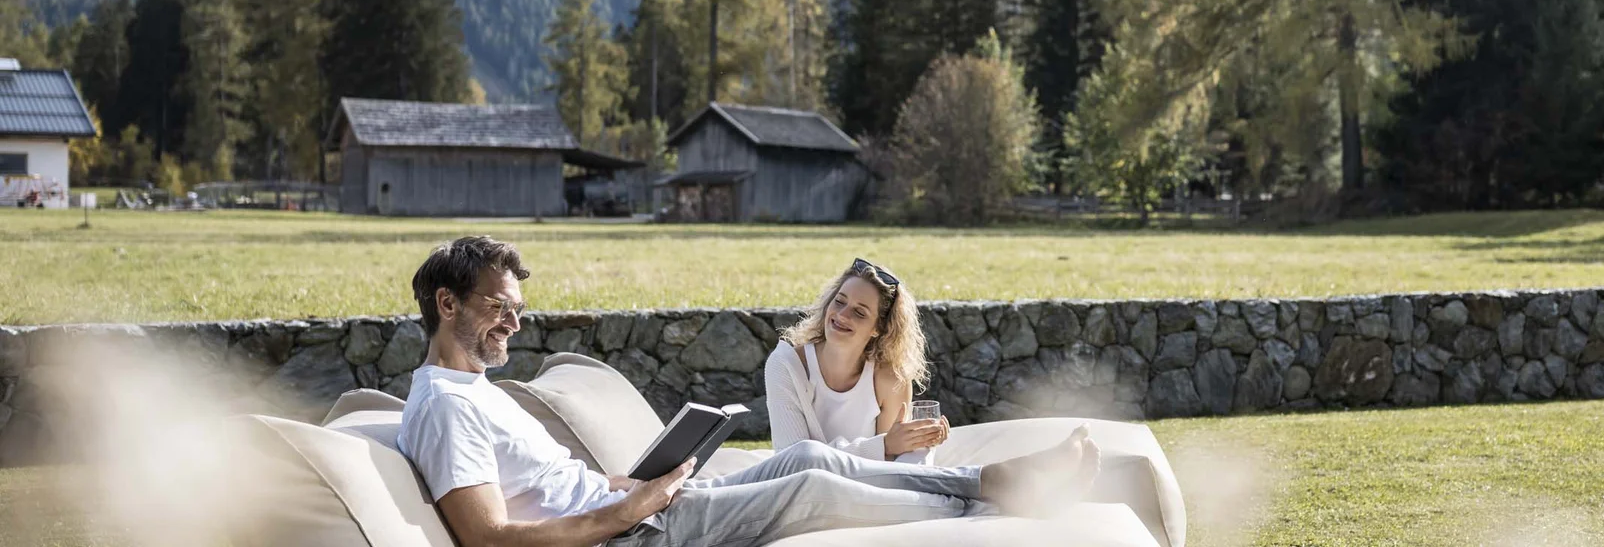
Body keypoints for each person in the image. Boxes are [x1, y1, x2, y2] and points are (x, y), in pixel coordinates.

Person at [396, 236, 1100, 547]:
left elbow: (543, 487)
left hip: (631, 509)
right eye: (498, 305)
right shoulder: (445, 406)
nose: (514, 320)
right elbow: (488, 538)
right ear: (448, 305)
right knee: (812, 489)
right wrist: (627, 509)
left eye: (517, 306)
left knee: (811, 463)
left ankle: (991, 479)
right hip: (627, 537)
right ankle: (1002, 497)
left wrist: (628, 481)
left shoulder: (479, 389)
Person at [764, 258, 945, 463]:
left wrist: (921, 441)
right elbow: (794, 461)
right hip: (803, 490)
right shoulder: (786, 365)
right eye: (840, 301)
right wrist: (883, 446)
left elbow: (891, 467)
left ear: (879, 328)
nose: (842, 315)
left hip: (866, 490)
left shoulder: (891, 380)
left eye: (859, 312)